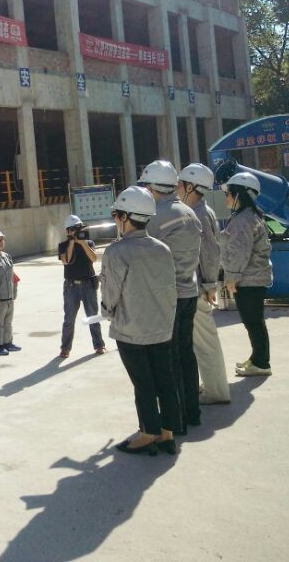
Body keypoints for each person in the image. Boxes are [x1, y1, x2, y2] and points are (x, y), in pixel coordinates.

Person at [100, 186, 179, 456]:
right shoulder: (163, 249)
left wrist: (106, 311)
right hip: (162, 327)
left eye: (116, 215)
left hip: (131, 330)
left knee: (143, 384)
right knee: (165, 380)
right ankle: (167, 433)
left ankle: (148, 434)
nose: (115, 220)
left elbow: (111, 293)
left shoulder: (117, 251)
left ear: (126, 217)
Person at [140, 160, 202, 434]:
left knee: (170, 360)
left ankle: (176, 420)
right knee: (187, 354)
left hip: (168, 297)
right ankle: (193, 412)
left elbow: (142, 254)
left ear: (153, 187)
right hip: (190, 291)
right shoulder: (190, 212)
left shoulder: (155, 217)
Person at [177, 164, 230, 403]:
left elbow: (209, 253)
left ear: (190, 187)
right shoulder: (197, 211)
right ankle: (209, 385)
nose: (176, 188)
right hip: (196, 287)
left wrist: (209, 286)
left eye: (180, 184)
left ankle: (216, 392)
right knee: (197, 342)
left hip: (198, 289)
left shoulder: (198, 214)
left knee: (206, 342)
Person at [221, 172, 274, 377]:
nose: (226, 197)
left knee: (253, 322)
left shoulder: (243, 219)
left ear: (239, 195)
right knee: (254, 321)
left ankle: (261, 363)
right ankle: (257, 358)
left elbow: (239, 251)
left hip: (248, 279)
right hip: (254, 278)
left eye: (228, 193)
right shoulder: (249, 216)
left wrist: (232, 277)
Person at [57, 215, 106, 358]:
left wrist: (83, 243)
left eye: (79, 228)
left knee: (93, 317)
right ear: (68, 231)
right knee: (69, 319)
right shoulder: (63, 245)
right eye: (74, 229)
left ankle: (99, 345)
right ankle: (65, 348)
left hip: (88, 285)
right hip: (71, 286)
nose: (78, 231)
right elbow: (66, 261)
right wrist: (72, 242)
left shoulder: (89, 243)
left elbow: (94, 258)